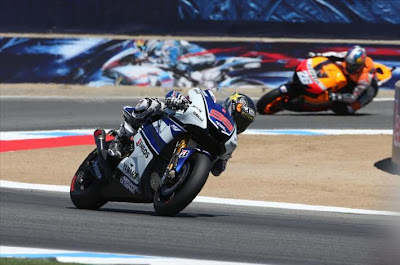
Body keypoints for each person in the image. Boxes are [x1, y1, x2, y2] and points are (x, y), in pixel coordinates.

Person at [107, 90, 256, 176]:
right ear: (231, 105)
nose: (239, 123)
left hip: (180, 153)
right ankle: (120, 140)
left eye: (244, 122)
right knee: (150, 104)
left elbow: (216, 171)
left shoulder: (230, 142)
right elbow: (176, 95)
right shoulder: (210, 101)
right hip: (171, 121)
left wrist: (221, 162)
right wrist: (178, 100)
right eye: (239, 118)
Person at [308, 45, 378, 113]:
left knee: (346, 110)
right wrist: (317, 55)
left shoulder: (364, 79)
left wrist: (336, 96)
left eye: (353, 66)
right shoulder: (349, 57)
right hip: (351, 77)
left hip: (367, 88)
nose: (350, 67)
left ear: (361, 65)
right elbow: (333, 55)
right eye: (348, 64)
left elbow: (352, 97)